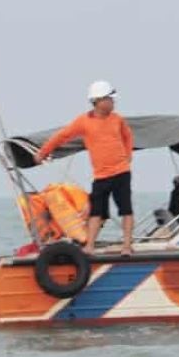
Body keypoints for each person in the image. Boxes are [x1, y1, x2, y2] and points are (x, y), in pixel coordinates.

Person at [35, 80, 135, 255]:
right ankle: (89, 246)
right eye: (110, 99)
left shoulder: (117, 119)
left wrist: (128, 156)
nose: (113, 103)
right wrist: (43, 153)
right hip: (101, 175)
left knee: (126, 209)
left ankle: (127, 246)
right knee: (96, 212)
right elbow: (61, 136)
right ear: (99, 101)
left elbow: (128, 136)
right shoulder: (83, 121)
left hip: (121, 172)